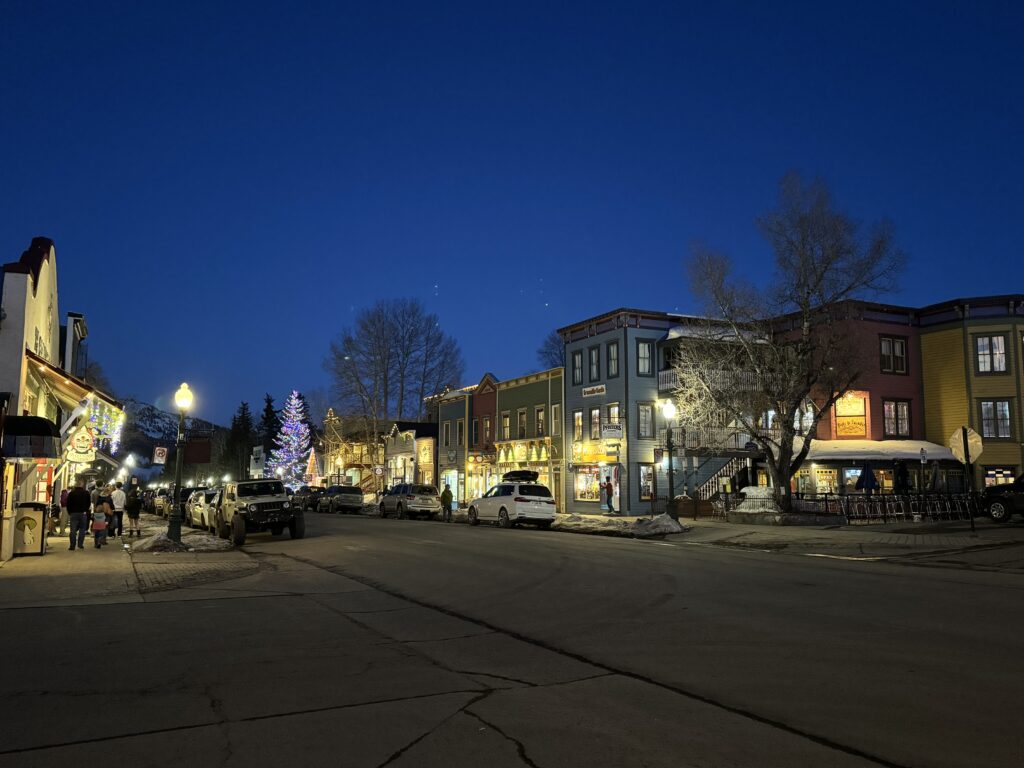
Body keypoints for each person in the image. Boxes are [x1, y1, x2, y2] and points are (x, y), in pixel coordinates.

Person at [66, 479, 91, 551]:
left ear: (76, 485)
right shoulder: (86, 493)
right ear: (82, 485)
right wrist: (85, 510)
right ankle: (80, 545)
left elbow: (68, 504)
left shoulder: (71, 493)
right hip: (83, 513)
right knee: (82, 529)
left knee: (73, 530)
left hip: (73, 513)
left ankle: (72, 546)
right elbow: (88, 503)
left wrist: (70, 512)